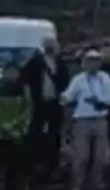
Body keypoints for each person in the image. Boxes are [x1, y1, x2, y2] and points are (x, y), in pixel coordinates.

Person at [60, 50, 110, 190]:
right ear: (84, 63)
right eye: (90, 61)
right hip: (82, 121)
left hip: (100, 120)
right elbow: (67, 96)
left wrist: (98, 101)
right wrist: (65, 100)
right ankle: (77, 188)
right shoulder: (78, 80)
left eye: (96, 61)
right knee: (82, 157)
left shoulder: (105, 78)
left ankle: (96, 186)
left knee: (100, 157)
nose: (93, 64)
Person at [22, 37, 72, 181]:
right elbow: (25, 80)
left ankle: (52, 164)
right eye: (48, 45)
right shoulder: (35, 61)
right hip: (39, 102)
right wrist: (29, 99)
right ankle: (31, 165)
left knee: (54, 133)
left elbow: (66, 82)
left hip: (55, 103)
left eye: (53, 44)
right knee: (35, 132)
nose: (50, 47)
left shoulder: (60, 63)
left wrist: (64, 99)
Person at [0, 63, 32, 190]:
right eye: (10, 72)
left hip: (17, 133)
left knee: (14, 164)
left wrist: (15, 125)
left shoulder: (24, 90)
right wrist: (2, 127)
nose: (13, 75)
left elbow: (28, 110)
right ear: (4, 73)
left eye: (15, 72)